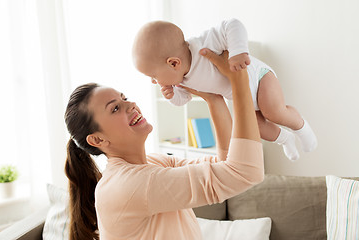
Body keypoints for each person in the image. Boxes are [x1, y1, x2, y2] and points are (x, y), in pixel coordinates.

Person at [64, 49, 264, 240]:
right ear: (98, 140)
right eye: (115, 108)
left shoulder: (152, 163)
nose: (130, 104)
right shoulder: (129, 185)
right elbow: (245, 172)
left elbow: (225, 164)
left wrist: (213, 99)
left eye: (124, 98)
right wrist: (239, 81)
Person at [132, 18, 318, 161]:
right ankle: (285, 139)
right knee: (258, 128)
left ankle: (302, 128)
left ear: (173, 63)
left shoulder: (202, 46)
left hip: (259, 78)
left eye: (153, 76)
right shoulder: (181, 80)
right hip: (242, 98)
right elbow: (183, 100)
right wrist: (172, 96)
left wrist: (238, 52)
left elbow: (232, 25)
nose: (154, 82)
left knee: (273, 112)